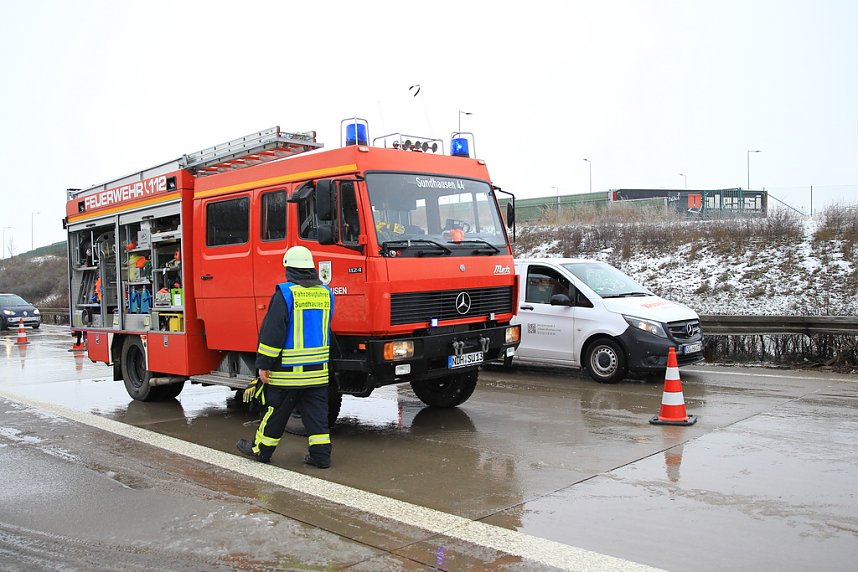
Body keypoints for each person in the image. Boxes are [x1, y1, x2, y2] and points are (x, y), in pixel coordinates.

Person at [236, 246, 335, 468]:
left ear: (289, 269)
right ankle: (321, 457)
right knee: (317, 417)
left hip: (287, 373)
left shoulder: (286, 293)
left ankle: (261, 450)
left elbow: (273, 333)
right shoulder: (326, 293)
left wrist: (263, 365)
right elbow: (325, 328)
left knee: (275, 414)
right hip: (318, 372)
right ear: (311, 269)